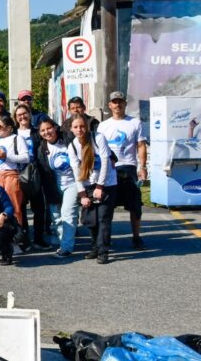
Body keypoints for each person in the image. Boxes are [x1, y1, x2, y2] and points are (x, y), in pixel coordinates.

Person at [99, 92, 149, 250]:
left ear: (125, 104)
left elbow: (141, 145)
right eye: (114, 102)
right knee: (108, 206)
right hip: (109, 169)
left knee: (135, 206)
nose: (117, 105)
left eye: (120, 102)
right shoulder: (103, 125)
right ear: (110, 105)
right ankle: (106, 239)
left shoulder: (135, 123)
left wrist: (143, 166)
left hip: (128, 167)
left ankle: (136, 237)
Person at [70, 115, 117, 264]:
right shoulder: (72, 146)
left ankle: (103, 251)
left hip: (106, 183)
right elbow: (76, 172)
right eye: (76, 127)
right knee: (90, 220)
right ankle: (95, 247)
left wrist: (100, 186)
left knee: (103, 218)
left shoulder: (98, 138)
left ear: (87, 127)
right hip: (87, 184)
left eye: (82, 126)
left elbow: (105, 162)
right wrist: (83, 195)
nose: (79, 129)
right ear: (71, 129)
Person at [0, 116, 29, 251]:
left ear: (9, 127)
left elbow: (26, 157)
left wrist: (6, 156)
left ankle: (17, 242)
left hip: (11, 177)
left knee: (14, 209)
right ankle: (2, 240)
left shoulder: (17, 138)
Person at [37, 118, 78, 258]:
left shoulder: (68, 139)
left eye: (49, 128)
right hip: (54, 186)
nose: (46, 132)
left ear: (55, 127)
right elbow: (44, 172)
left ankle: (66, 248)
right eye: (43, 130)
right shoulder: (42, 149)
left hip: (72, 183)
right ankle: (64, 242)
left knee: (67, 213)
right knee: (57, 218)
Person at [14, 103, 50, 250]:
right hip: (18, 175)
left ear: (29, 114)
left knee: (39, 208)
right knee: (21, 209)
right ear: (15, 118)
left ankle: (38, 238)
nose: (22, 117)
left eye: (25, 113)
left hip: (35, 175)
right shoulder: (13, 133)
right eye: (19, 115)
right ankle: (24, 239)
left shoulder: (37, 132)